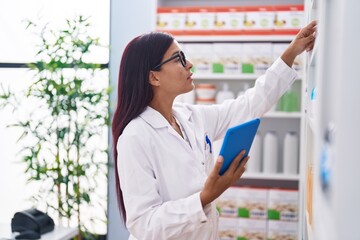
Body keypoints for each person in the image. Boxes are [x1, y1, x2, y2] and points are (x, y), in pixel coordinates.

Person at [112, 20, 317, 240]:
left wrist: (290, 53)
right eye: (179, 59)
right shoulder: (135, 137)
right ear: (154, 77)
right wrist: (204, 197)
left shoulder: (190, 117)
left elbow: (248, 106)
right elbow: (144, 225)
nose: (189, 64)